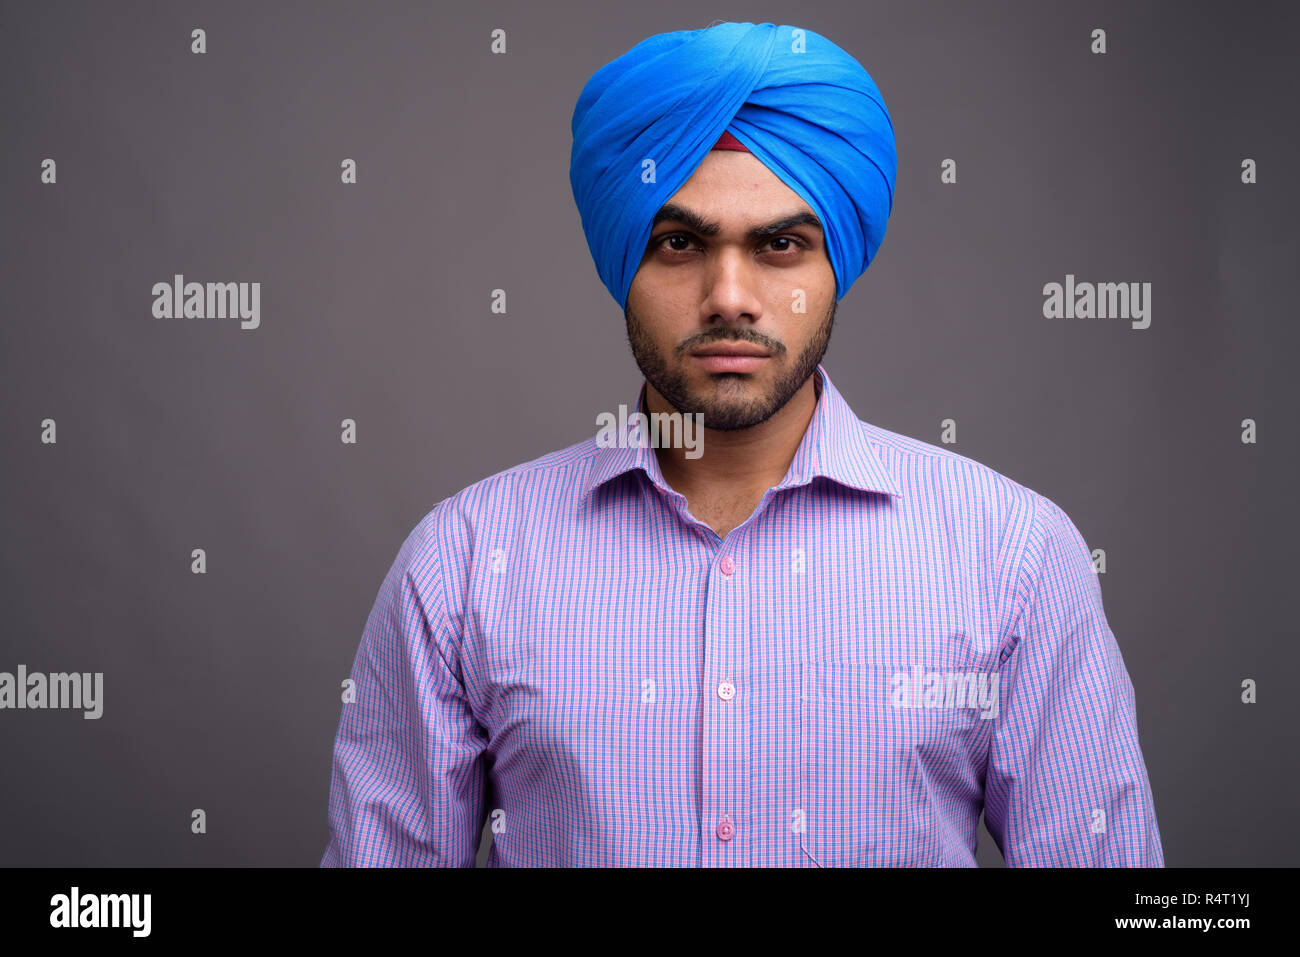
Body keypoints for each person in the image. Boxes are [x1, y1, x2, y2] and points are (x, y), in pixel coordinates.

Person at [320, 21, 1163, 867]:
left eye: (780, 245)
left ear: (837, 262)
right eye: (680, 243)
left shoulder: (1013, 555)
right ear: (625, 260)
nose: (730, 297)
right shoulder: (467, 559)